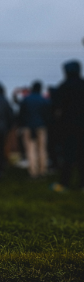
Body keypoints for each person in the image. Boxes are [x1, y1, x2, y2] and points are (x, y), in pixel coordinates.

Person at [52, 60, 84, 191]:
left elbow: (56, 110)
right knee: (82, 156)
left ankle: (64, 184)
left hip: (68, 127)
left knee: (68, 157)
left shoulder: (63, 87)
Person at [19, 81, 50, 178]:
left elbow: (21, 114)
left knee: (31, 150)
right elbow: (47, 115)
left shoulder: (26, 99)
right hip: (41, 126)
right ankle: (42, 170)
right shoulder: (44, 100)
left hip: (28, 127)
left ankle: (33, 171)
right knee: (42, 149)